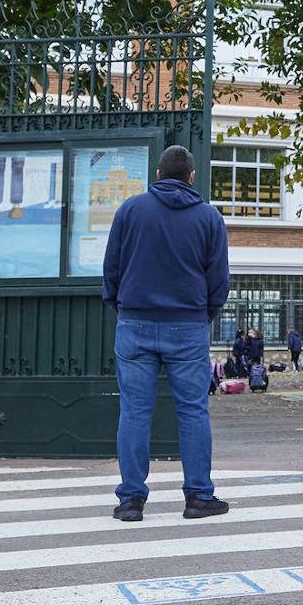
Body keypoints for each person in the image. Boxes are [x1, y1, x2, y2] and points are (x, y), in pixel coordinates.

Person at [102, 145, 231, 523]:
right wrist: (203, 313)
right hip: (187, 325)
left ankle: (131, 501)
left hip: (136, 323)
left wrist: (123, 306)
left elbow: (111, 266)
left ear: (158, 174)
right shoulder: (209, 218)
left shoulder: (130, 210)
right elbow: (218, 279)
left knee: (135, 412)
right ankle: (198, 496)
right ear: (191, 177)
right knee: (192, 411)